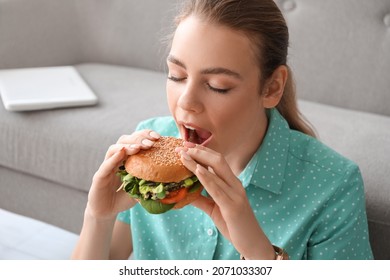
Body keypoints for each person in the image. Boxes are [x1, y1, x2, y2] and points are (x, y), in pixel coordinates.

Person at [72, 0, 373, 260]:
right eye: (176, 76)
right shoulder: (146, 152)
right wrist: (98, 216)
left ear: (272, 87)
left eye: (218, 86)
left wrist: (260, 255)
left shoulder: (333, 186)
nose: (186, 103)